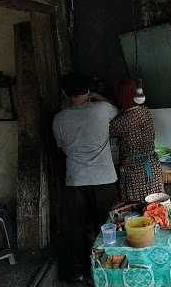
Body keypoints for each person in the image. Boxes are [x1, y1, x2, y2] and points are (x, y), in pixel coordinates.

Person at [52, 73, 118, 282]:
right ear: (88, 91)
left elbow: (61, 148)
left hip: (75, 180)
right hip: (104, 178)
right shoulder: (103, 109)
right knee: (107, 226)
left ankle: (79, 271)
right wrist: (97, 96)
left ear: (65, 93)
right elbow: (117, 110)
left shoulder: (59, 118)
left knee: (78, 228)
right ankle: (109, 270)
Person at [110, 79, 163, 202]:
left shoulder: (120, 122)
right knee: (156, 205)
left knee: (136, 208)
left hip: (133, 169)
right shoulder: (146, 112)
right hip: (152, 164)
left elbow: (110, 131)